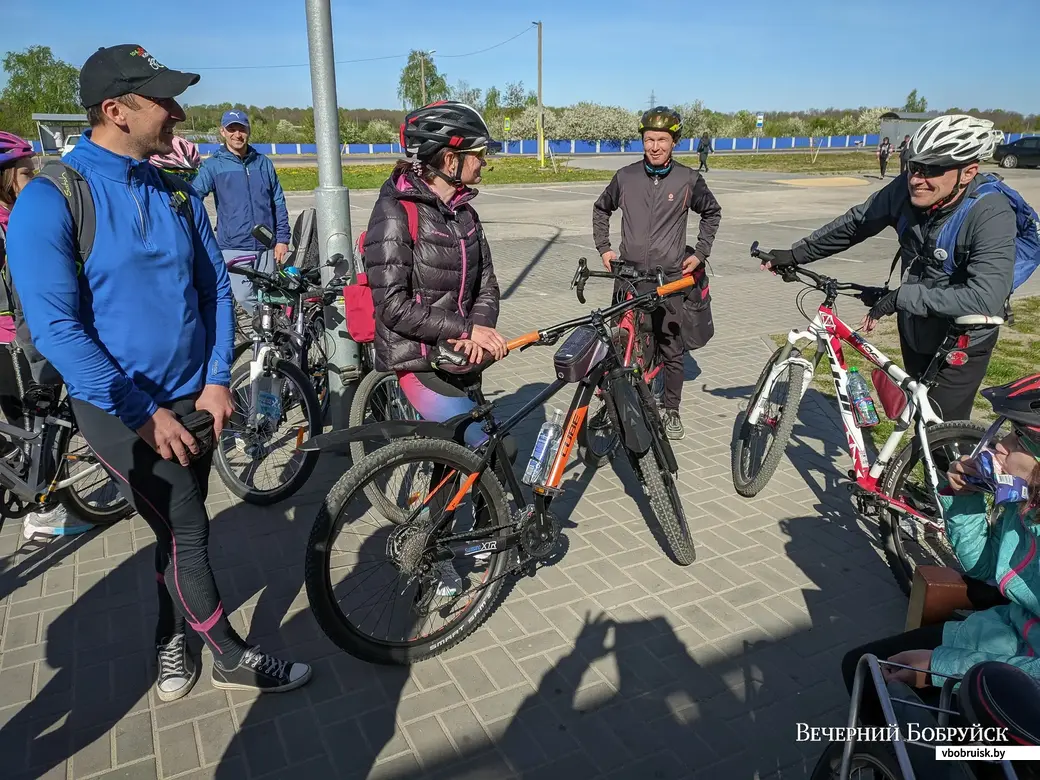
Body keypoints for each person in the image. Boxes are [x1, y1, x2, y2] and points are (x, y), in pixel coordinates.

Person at [5, 43, 311, 701]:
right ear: (115, 110)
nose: (176, 111)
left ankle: (169, 639)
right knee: (187, 527)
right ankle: (228, 655)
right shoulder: (51, 200)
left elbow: (214, 292)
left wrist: (217, 380)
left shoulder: (171, 190)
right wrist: (143, 413)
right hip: (119, 408)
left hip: (193, 395)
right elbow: (59, 329)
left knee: (175, 531)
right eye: (162, 100)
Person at [760, 114, 1013, 422]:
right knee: (918, 414)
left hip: (962, 337)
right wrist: (797, 254)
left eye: (931, 170)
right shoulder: (904, 191)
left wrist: (901, 298)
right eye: (913, 166)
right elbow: (856, 223)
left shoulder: (990, 212)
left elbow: (986, 298)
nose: (916, 179)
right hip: (916, 325)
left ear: (968, 172)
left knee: (940, 430)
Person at [839, 374, 1040, 724]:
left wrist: (938, 667)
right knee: (861, 668)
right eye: (1006, 430)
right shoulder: (1026, 503)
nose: (1001, 446)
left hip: (1024, 682)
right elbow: (983, 567)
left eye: (1017, 436)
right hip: (1005, 635)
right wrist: (965, 500)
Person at [593, 106, 722, 440]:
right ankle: (613, 406)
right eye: (649, 139)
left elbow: (711, 213)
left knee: (670, 347)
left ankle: (672, 410)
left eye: (662, 140)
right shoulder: (625, 177)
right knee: (621, 345)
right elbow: (601, 209)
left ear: (674, 141)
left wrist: (701, 253)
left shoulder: (688, 180)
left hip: (669, 281)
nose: (654, 146)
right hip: (629, 279)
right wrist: (604, 247)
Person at [0, 132, 95, 539]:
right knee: (42, 427)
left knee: (23, 428)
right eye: (26, 173)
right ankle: (44, 513)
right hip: (17, 341)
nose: (34, 179)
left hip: (14, 338)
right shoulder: (14, 222)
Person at [192, 110, 290, 314]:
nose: (237, 134)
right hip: (233, 246)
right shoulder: (213, 165)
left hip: (266, 245)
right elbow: (194, 197)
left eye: (242, 129)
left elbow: (278, 202)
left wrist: (282, 239)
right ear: (223, 132)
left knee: (268, 296)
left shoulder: (263, 163)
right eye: (232, 129)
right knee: (244, 295)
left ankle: (269, 340)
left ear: (248, 131)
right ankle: (266, 326)